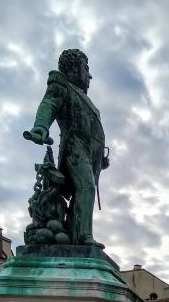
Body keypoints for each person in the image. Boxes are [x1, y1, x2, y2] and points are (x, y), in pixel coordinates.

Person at [25, 49, 109, 248]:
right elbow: (48, 105)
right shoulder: (60, 85)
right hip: (74, 147)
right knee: (86, 187)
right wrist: (40, 127)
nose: (89, 75)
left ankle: (75, 232)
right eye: (86, 69)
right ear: (73, 68)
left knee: (82, 195)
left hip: (91, 155)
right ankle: (83, 237)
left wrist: (101, 158)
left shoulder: (84, 97)